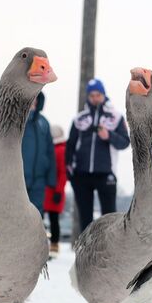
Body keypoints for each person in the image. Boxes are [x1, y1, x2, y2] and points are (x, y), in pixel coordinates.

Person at [67, 78, 130, 233]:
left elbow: (125, 142)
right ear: (88, 96)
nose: (95, 98)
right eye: (92, 95)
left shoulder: (115, 117)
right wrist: (70, 171)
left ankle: (110, 253)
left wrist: (108, 135)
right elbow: (70, 145)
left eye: (98, 95)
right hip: (82, 174)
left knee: (109, 217)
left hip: (106, 173)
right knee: (85, 219)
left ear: (103, 95)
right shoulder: (79, 119)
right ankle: (84, 254)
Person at [21, 93, 56, 215]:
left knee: (36, 214)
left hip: (39, 180)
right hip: (19, 178)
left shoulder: (43, 122)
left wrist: (52, 179)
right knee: (16, 214)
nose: (33, 99)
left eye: (36, 96)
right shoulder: (18, 120)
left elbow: (50, 151)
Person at [44, 125, 67, 256]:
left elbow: (63, 173)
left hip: (54, 191)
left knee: (53, 219)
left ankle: (54, 246)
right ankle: (49, 245)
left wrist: (58, 190)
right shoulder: (52, 149)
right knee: (48, 218)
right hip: (47, 190)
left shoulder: (61, 150)